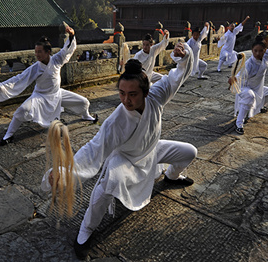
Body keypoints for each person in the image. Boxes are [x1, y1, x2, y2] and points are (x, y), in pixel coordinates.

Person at [42, 41, 197, 260]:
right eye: (122, 93)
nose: (126, 100)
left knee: (190, 152)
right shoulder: (116, 120)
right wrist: (65, 172)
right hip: (126, 160)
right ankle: (85, 231)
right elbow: (93, 149)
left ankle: (172, 175)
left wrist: (184, 56)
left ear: (145, 92)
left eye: (132, 94)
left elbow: (178, 76)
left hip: (152, 151)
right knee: (106, 185)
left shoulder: (157, 95)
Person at [0, 26, 97, 146]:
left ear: (48, 52)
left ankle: (86, 115)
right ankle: (8, 135)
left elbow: (67, 50)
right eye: (36, 52)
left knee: (84, 102)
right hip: (40, 96)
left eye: (39, 52)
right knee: (22, 110)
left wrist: (72, 35)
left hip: (57, 94)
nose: (37, 55)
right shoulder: (36, 67)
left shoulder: (57, 59)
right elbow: (19, 79)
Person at [229, 27, 268, 135]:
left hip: (257, 88)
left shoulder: (267, 55)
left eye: (260, 51)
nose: (258, 53)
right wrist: (233, 78)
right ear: (252, 50)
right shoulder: (249, 63)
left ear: (265, 50)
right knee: (250, 96)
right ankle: (239, 123)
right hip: (244, 87)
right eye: (255, 51)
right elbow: (240, 74)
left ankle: (260, 106)